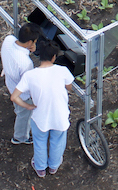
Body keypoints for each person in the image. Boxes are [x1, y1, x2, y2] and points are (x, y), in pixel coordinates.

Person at [12, 40, 77, 177]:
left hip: (40, 117)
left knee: (40, 141)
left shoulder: (30, 75)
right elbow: (69, 87)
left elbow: (14, 97)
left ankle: (40, 168)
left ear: (39, 55)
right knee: (57, 141)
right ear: (54, 57)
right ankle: (53, 166)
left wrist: (28, 106)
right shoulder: (63, 71)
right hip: (60, 116)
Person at [1, 24, 40, 144]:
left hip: (10, 82)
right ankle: (20, 137)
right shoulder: (26, 63)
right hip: (22, 95)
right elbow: (28, 84)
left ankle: (17, 110)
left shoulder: (8, 40)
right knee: (24, 116)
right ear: (30, 42)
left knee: (19, 109)